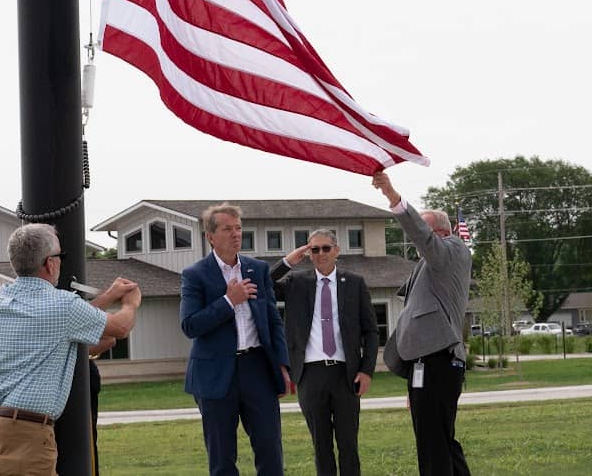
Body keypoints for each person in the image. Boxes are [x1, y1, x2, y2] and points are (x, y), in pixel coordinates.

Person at [0, 223, 141, 476]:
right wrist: (130, 304)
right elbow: (119, 328)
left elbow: (71, 319)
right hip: (29, 431)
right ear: (50, 264)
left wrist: (108, 296)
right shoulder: (61, 305)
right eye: (60, 257)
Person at [180, 203, 291, 476]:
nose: (236, 234)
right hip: (215, 375)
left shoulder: (258, 269)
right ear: (210, 236)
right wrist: (229, 301)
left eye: (239, 228)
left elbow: (273, 321)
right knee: (222, 458)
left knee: (270, 450)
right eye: (227, 229)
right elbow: (190, 325)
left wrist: (282, 364)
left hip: (258, 369)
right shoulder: (195, 275)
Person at [372, 171, 472, 476]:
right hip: (427, 364)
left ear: (440, 233)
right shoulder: (431, 264)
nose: (416, 241)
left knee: (433, 445)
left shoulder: (452, 251)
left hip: (439, 361)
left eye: (425, 234)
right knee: (439, 440)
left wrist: (392, 195)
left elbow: (421, 234)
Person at [270, 228, 379, 476]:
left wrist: (366, 370)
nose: (320, 253)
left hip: (346, 374)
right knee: (321, 446)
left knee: (348, 444)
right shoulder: (296, 283)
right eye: (314, 249)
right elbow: (262, 284)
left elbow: (371, 331)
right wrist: (288, 262)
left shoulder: (354, 283)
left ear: (336, 251)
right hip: (310, 374)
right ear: (309, 253)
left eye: (326, 248)